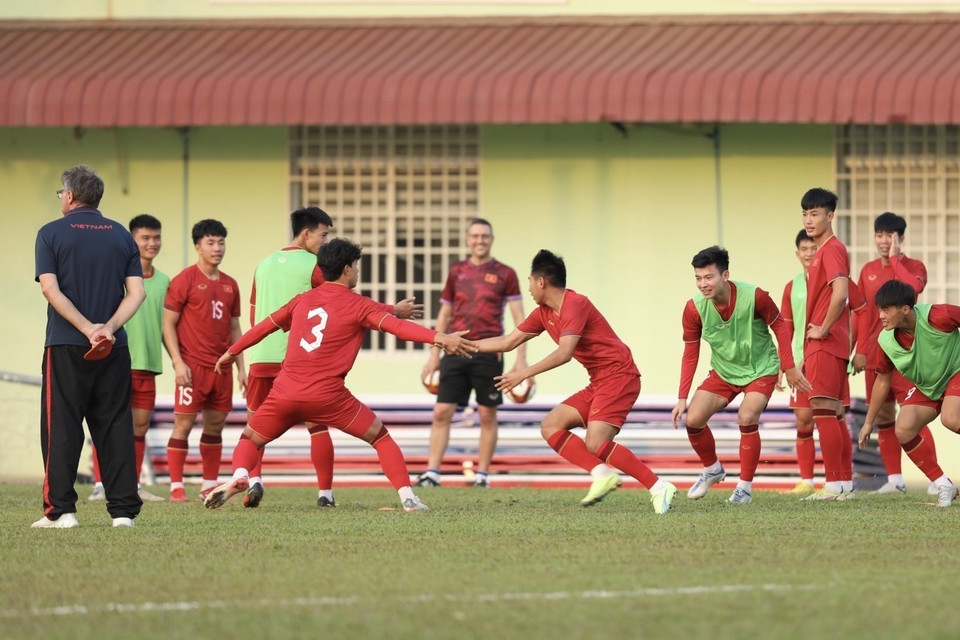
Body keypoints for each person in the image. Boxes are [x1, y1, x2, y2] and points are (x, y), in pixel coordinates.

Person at [202, 239, 475, 512]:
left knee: (250, 439)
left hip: (285, 393)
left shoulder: (302, 300)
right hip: (328, 397)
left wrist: (232, 351)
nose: (357, 272)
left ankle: (240, 475)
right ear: (346, 269)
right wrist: (440, 338)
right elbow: (398, 329)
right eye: (355, 267)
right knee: (380, 438)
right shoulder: (359, 305)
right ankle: (408, 498)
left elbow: (264, 327)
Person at [471, 249, 678, 514]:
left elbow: (564, 353)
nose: (530, 290)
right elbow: (507, 341)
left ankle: (658, 486)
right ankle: (602, 474)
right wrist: (463, 345)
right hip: (599, 380)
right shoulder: (543, 313)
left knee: (596, 442)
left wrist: (524, 373)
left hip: (619, 376)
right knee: (551, 425)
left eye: (530, 282)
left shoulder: (575, 304)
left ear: (541, 281)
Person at [243, 207, 423, 508]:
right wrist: (392, 309)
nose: (325, 242)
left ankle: (252, 480)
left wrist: (243, 352)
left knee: (254, 430)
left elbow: (255, 314)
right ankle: (325, 493)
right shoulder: (316, 265)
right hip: (301, 359)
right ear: (306, 233)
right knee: (317, 425)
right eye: (323, 234)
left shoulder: (263, 264)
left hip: (262, 354)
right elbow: (341, 303)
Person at [33, 164, 145, 528]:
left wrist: (85, 328)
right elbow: (137, 293)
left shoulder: (50, 233)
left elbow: (50, 289)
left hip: (66, 344)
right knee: (114, 425)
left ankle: (62, 512)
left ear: (68, 196)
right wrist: (107, 329)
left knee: (62, 426)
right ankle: (123, 514)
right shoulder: (122, 236)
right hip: (114, 347)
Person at [671, 246, 810, 504]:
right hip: (724, 371)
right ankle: (712, 469)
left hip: (761, 368)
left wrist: (788, 366)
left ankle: (744, 488)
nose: (703, 284)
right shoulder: (693, 309)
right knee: (693, 420)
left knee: (746, 416)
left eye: (709, 277)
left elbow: (779, 325)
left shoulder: (755, 296)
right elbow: (690, 353)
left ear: (725, 276)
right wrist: (682, 397)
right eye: (698, 278)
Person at [416, 218, 528, 489]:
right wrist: (433, 355)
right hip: (454, 349)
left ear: (491, 239)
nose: (480, 241)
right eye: (475, 236)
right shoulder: (456, 272)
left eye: (485, 236)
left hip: (490, 352)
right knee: (442, 411)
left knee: (487, 414)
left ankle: (482, 475)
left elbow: (520, 318)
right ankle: (432, 472)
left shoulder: (506, 273)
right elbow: (444, 314)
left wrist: (521, 359)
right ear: (468, 240)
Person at [852, 212, 937, 495]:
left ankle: (934, 479)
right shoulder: (867, 270)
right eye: (880, 235)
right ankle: (895, 480)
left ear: (900, 238)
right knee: (885, 415)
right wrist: (860, 348)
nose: (884, 241)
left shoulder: (915, 266)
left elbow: (913, 290)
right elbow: (863, 313)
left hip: (907, 352)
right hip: (876, 354)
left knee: (915, 415)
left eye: (890, 235)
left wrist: (897, 259)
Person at [163, 219, 246, 502]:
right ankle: (176, 486)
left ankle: (208, 484)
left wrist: (241, 368)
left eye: (221, 242)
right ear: (198, 247)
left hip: (221, 369)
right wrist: (177, 362)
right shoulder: (183, 280)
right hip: (192, 368)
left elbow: (235, 329)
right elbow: (168, 325)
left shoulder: (230, 285)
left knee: (215, 427)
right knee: (183, 426)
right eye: (211, 242)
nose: (217, 248)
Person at [89, 214, 169, 503]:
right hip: (116, 360)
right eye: (144, 238)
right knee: (106, 424)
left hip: (147, 364)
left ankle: (133, 485)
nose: (152, 243)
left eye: (156, 237)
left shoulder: (165, 281)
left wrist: (177, 359)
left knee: (139, 428)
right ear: (131, 241)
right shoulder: (118, 278)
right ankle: (100, 484)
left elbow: (168, 327)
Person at [857, 280, 959, 507]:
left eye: (885, 310)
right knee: (903, 428)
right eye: (879, 310)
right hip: (929, 387)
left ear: (905, 309)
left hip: (956, 371)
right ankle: (944, 485)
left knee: (951, 419)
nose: (880, 316)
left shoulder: (938, 315)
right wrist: (868, 422)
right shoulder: (885, 340)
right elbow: (882, 381)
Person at [799, 187, 855, 500]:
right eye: (805, 213)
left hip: (826, 342)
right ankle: (844, 484)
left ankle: (833, 485)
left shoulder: (832, 249)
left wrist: (822, 329)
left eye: (815, 213)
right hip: (833, 344)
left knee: (822, 409)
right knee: (833, 411)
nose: (809, 220)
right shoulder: (823, 250)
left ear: (830, 216)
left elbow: (842, 292)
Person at [780, 230, 819, 496]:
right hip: (800, 365)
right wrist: (785, 365)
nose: (808, 253)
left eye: (813, 248)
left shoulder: (834, 281)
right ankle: (807, 481)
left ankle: (839, 479)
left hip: (826, 360)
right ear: (797, 253)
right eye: (804, 249)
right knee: (804, 421)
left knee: (832, 418)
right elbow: (786, 329)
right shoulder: (792, 287)